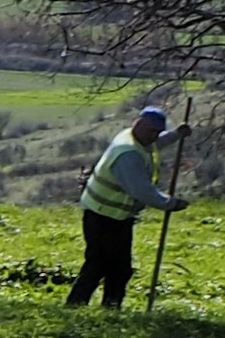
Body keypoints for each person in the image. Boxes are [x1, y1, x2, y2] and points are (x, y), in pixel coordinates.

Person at [70, 104, 182, 306]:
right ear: (138, 124)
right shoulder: (128, 154)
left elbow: (154, 144)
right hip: (103, 215)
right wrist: (170, 203)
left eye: (157, 132)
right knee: (98, 265)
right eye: (151, 131)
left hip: (117, 215)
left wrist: (176, 135)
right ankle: (75, 306)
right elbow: (141, 191)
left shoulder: (134, 138)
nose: (153, 136)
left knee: (120, 268)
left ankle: (111, 308)